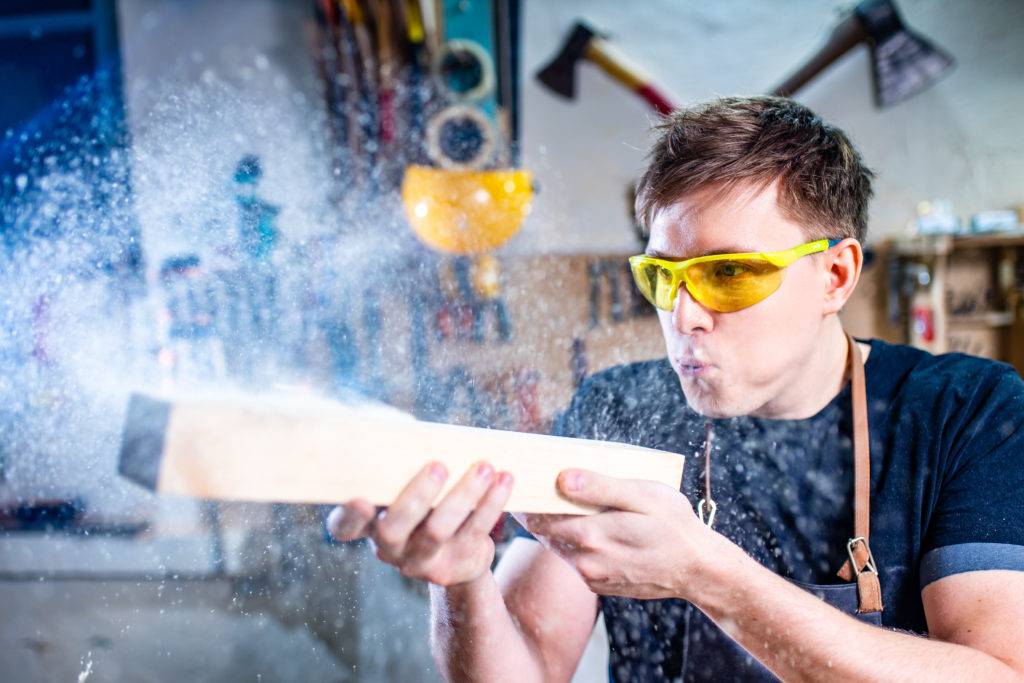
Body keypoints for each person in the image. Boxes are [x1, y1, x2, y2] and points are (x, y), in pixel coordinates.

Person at [327, 96, 1024, 681]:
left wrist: (706, 572)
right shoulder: (616, 411)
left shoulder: (965, 411)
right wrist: (462, 580)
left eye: (728, 273)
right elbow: (527, 665)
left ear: (836, 276)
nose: (683, 314)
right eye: (664, 276)